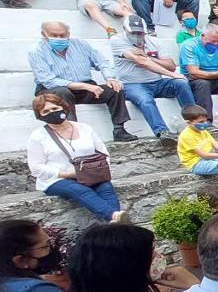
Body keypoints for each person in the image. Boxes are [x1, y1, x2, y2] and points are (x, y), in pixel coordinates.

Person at [28, 21, 137, 142]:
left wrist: (110, 78)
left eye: (62, 35)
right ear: (44, 34)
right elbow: (49, 81)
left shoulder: (80, 44)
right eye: (54, 35)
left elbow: (102, 62)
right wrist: (84, 86)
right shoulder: (36, 51)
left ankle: (119, 129)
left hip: (84, 88)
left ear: (68, 34)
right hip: (52, 90)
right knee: (62, 92)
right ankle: (72, 130)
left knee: (115, 89)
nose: (59, 38)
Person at [27, 94, 127, 223]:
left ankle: (114, 224)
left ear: (63, 108)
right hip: (57, 179)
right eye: (46, 111)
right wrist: (67, 174)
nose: (52, 113)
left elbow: (103, 153)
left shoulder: (85, 128)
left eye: (55, 108)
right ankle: (115, 218)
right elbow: (36, 168)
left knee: (106, 188)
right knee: (79, 190)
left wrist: (98, 169)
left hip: (90, 174)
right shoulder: (38, 136)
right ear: (40, 115)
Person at [108, 14, 192, 142]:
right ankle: (161, 131)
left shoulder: (153, 41)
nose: (137, 36)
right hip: (133, 84)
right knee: (145, 100)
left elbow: (171, 65)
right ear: (125, 29)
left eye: (140, 33)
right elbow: (141, 62)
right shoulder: (117, 40)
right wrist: (171, 74)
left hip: (157, 81)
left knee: (181, 84)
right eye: (133, 32)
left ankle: (195, 121)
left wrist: (149, 58)